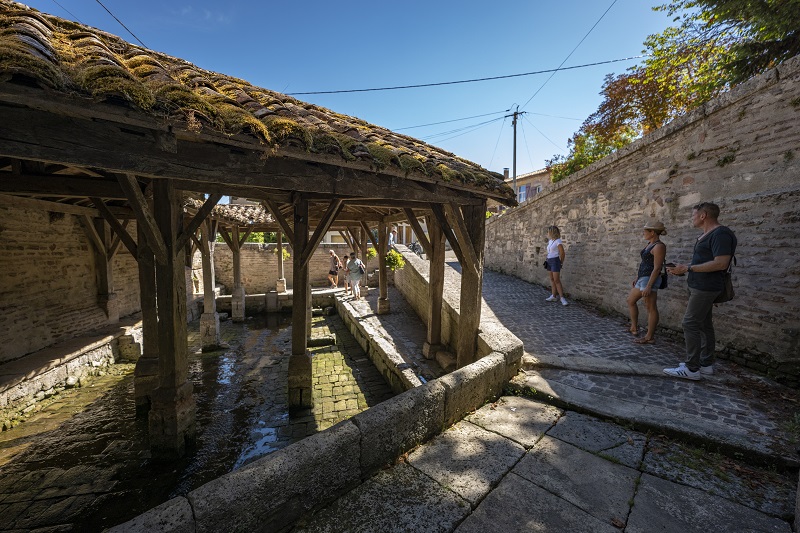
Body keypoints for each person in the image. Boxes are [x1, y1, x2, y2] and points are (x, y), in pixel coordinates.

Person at [664, 202, 737, 380]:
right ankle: (705, 365)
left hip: (705, 287)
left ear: (703, 216)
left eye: (694, 214)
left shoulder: (721, 234)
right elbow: (704, 262)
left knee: (689, 323)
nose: (692, 218)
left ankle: (691, 368)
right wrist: (681, 270)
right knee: (704, 325)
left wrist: (688, 268)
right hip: (699, 286)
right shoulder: (707, 234)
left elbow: (721, 263)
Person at [626, 220, 667, 344]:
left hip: (650, 280)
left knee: (651, 307)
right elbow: (645, 263)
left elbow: (657, 268)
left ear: (652, 232)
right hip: (643, 278)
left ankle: (649, 337)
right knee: (630, 301)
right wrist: (637, 277)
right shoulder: (650, 244)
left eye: (645, 231)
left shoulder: (659, 246)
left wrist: (649, 285)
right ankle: (634, 327)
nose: (643, 233)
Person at [544, 225, 568, 306]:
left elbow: (562, 253)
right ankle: (553, 296)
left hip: (555, 261)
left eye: (548, 231)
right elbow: (550, 252)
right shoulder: (550, 241)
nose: (547, 233)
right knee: (552, 279)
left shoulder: (558, 241)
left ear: (552, 232)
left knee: (556, 280)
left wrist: (561, 262)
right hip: (549, 261)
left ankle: (562, 298)